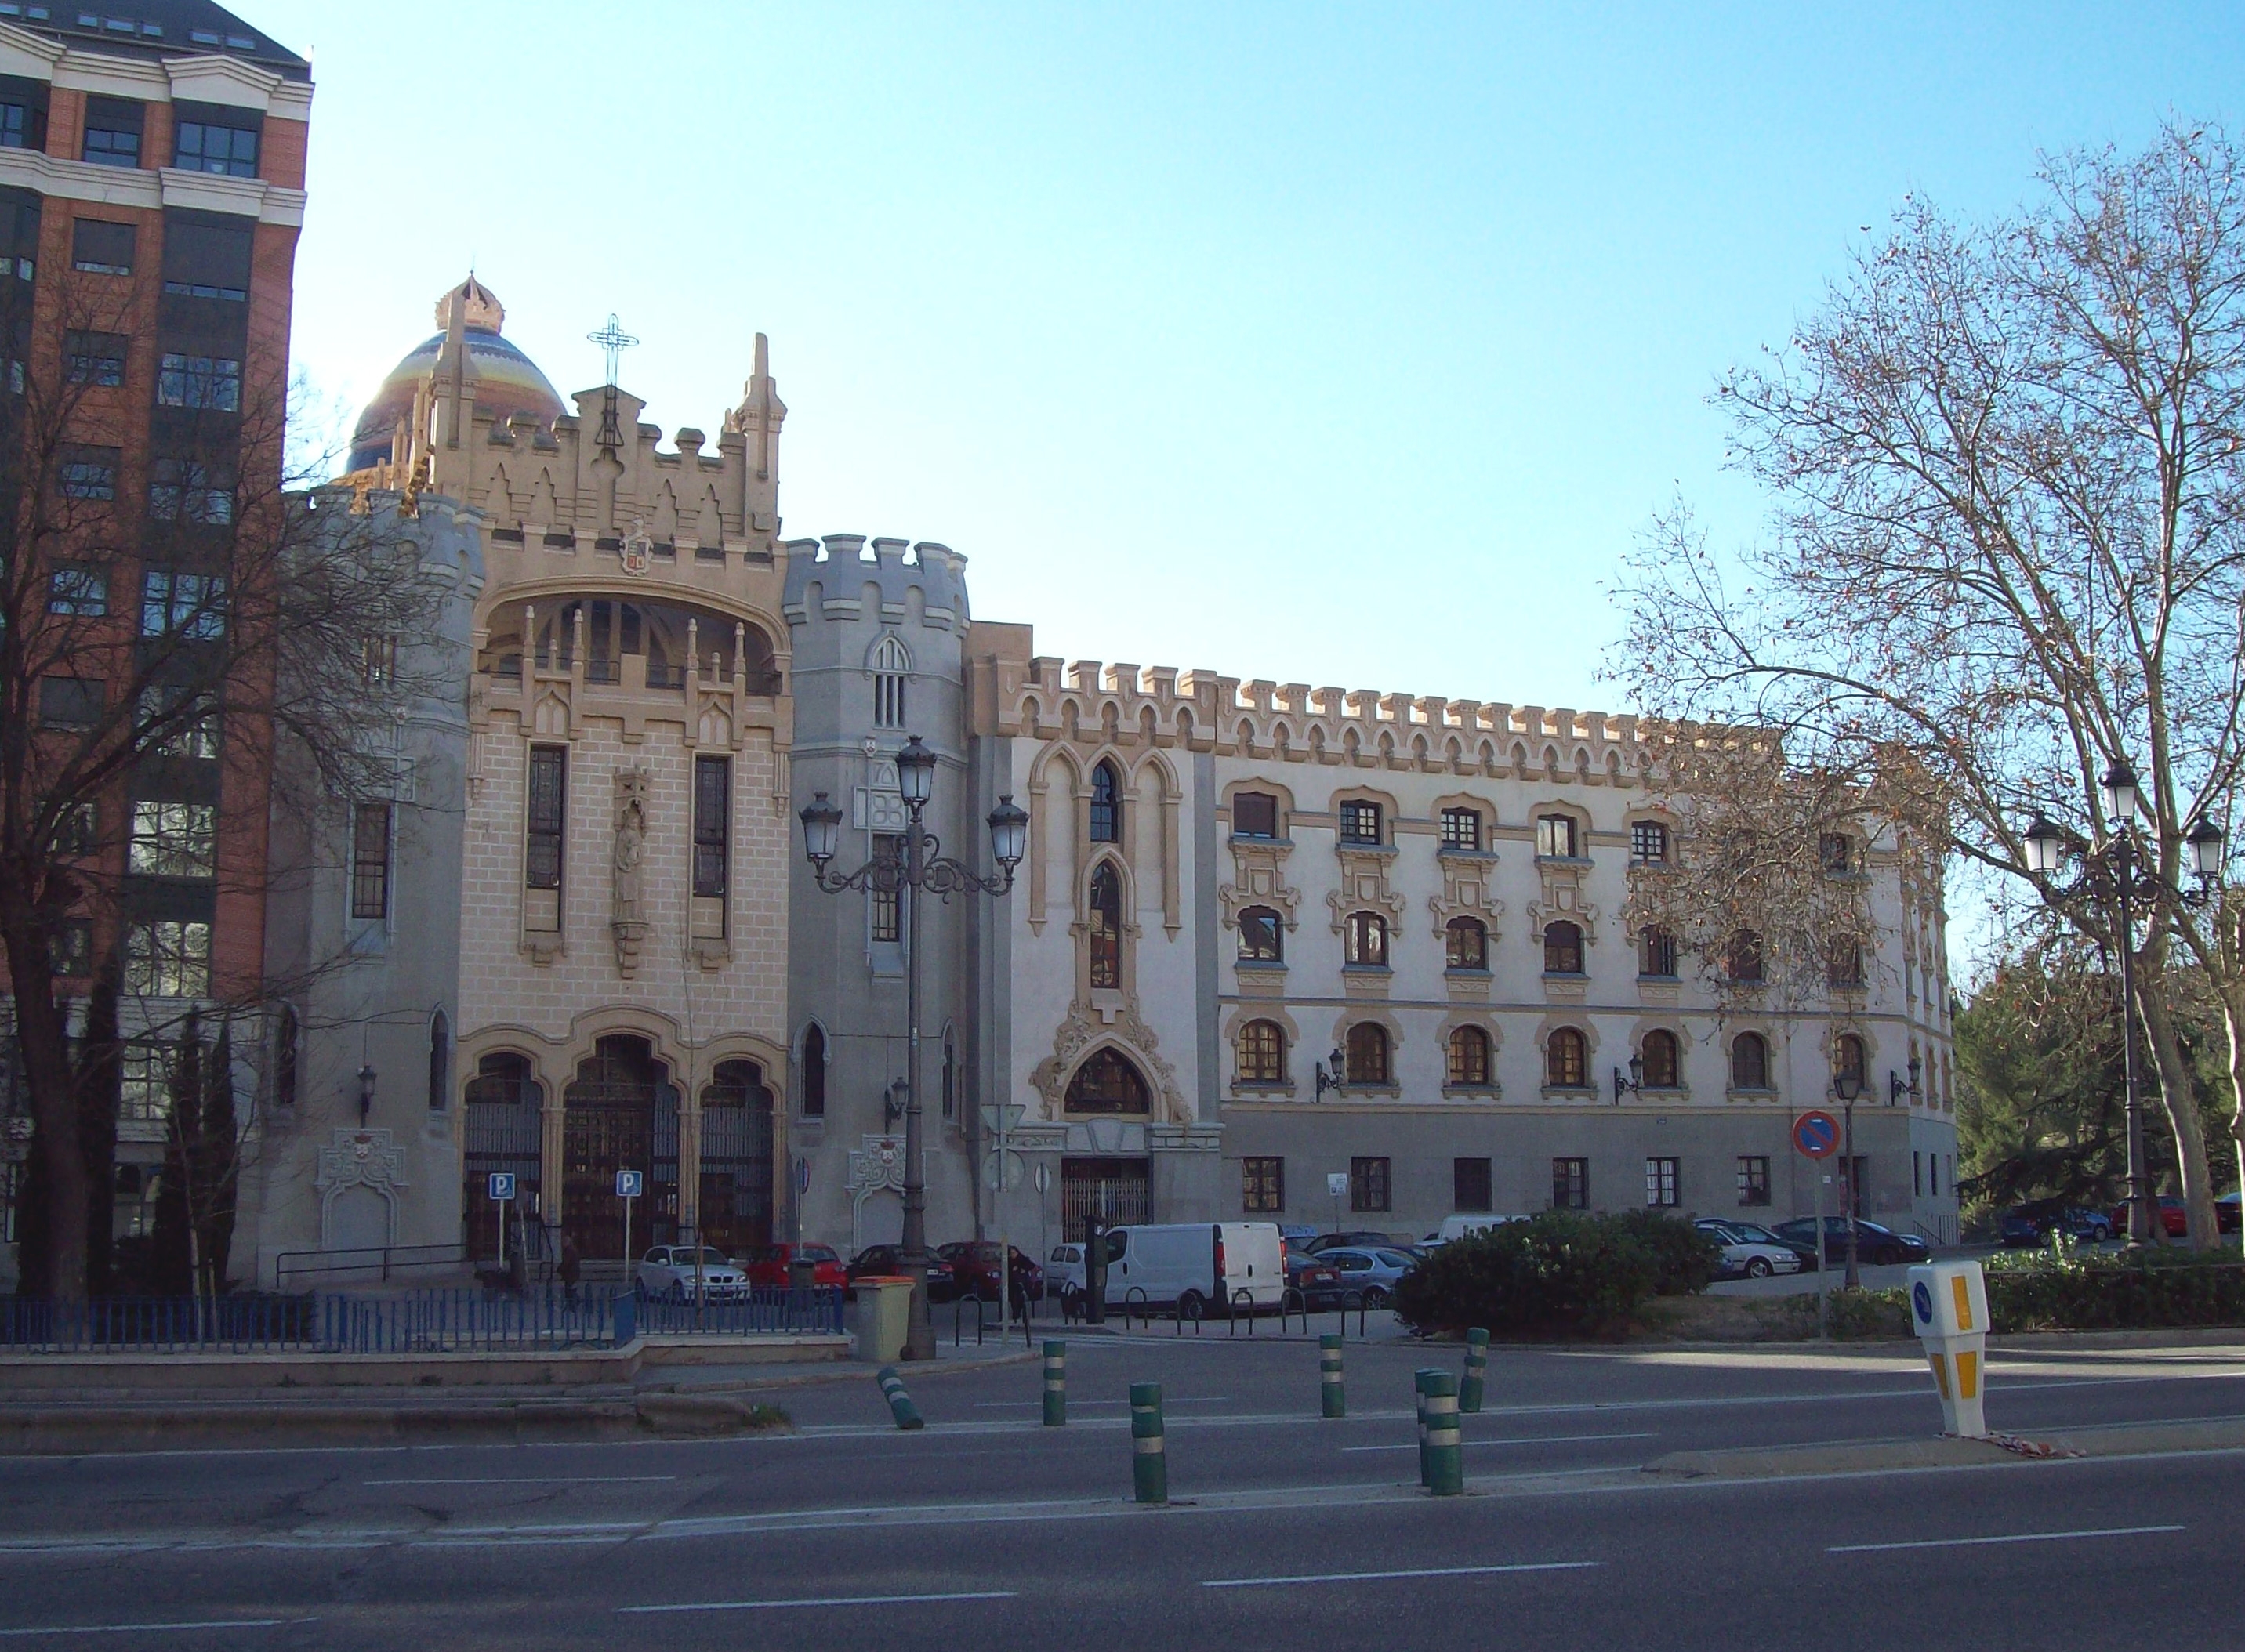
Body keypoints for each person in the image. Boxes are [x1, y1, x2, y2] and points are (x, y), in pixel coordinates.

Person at [557, 1232, 582, 1302]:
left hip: (570, 1273)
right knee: (570, 1289)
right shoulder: (573, 1250)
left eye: (563, 1242)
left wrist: (560, 1269)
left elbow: (566, 1263)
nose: (562, 1244)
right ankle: (574, 1302)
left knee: (569, 1291)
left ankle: (575, 1302)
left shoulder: (569, 1251)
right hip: (573, 1273)